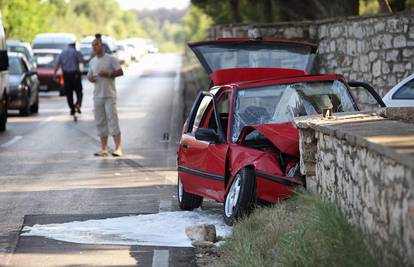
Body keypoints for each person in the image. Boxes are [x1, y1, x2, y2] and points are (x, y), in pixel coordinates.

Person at [87, 37, 124, 157]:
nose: (94, 47)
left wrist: (108, 73)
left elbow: (120, 72)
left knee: (113, 120)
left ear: (101, 46)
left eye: (96, 45)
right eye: (93, 45)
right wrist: (90, 78)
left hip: (109, 94)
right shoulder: (92, 61)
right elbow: (89, 76)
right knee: (100, 121)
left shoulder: (111, 59)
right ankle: (103, 148)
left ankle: (118, 148)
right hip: (97, 95)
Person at [53, 42, 86, 115]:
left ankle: (72, 108)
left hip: (66, 75)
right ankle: (78, 104)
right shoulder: (76, 52)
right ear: (74, 46)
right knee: (79, 91)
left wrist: (54, 74)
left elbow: (57, 64)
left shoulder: (62, 53)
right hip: (75, 75)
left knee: (69, 93)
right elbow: (82, 61)